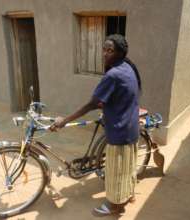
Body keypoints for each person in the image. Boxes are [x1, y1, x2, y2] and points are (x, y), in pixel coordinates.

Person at [49, 34, 142, 216]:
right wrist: (106, 103)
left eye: (110, 50)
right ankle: (130, 194)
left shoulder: (113, 75)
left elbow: (92, 103)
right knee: (128, 167)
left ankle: (114, 205)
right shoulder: (128, 67)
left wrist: (64, 121)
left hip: (119, 130)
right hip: (130, 124)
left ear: (120, 53)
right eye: (104, 49)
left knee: (115, 171)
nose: (105, 54)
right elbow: (115, 95)